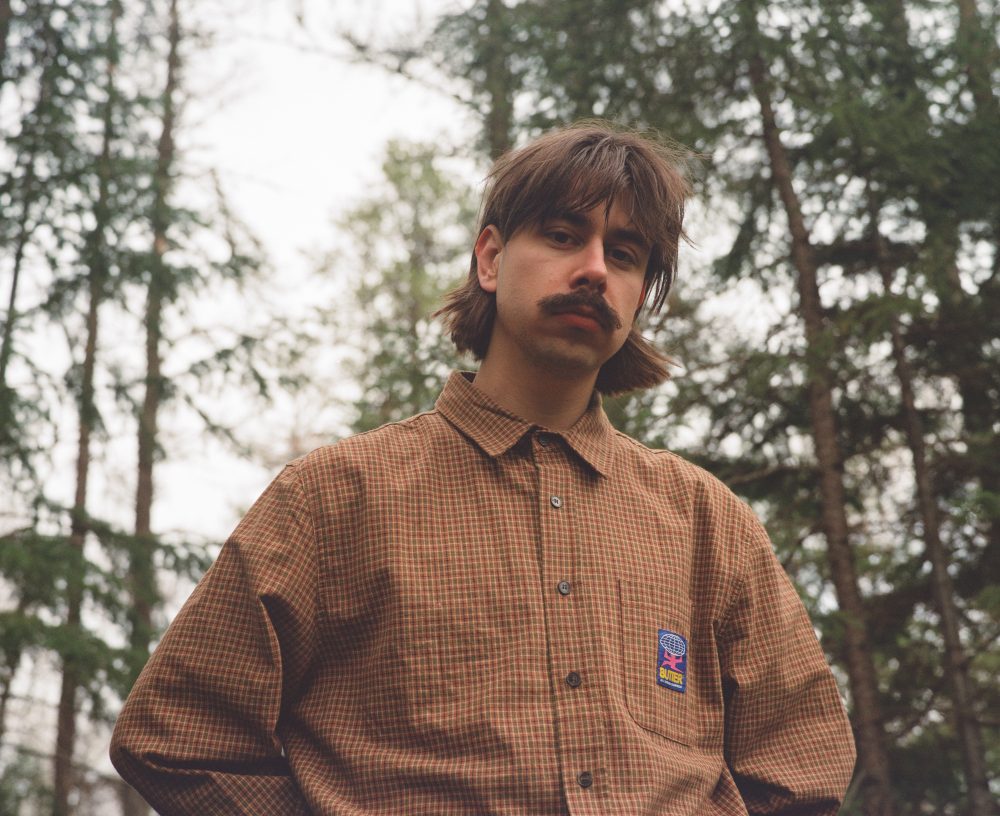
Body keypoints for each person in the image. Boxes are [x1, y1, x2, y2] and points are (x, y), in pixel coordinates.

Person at [111, 123, 856, 814]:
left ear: (640, 297)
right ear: (491, 259)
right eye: (563, 236)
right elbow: (176, 736)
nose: (595, 269)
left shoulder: (707, 522)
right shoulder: (332, 498)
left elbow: (804, 761)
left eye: (625, 255)